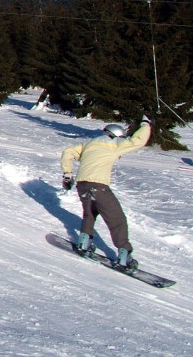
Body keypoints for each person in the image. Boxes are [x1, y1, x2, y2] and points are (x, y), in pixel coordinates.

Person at [60, 116, 152, 272]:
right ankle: (124, 255)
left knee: (89, 213)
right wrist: (146, 124)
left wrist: (67, 174)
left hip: (82, 185)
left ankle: (84, 243)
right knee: (117, 219)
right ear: (117, 135)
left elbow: (68, 152)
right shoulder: (114, 143)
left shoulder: (89, 144)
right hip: (99, 186)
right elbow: (137, 141)